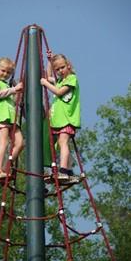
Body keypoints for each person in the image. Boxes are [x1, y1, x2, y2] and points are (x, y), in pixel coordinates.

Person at [40, 53, 81, 181]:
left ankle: (63, 171)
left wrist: (45, 84)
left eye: (62, 67)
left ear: (68, 66)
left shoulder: (71, 79)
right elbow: (48, 77)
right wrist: (49, 62)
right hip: (58, 120)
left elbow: (58, 91)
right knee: (60, 143)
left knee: (63, 142)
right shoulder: (60, 81)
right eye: (57, 69)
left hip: (67, 119)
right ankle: (68, 171)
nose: (60, 71)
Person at [0, 57, 24, 179]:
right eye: (3, 71)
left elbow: (15, 101)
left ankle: (7, 165)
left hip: (13, 119)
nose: (5, 74)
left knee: (21, 143)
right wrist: (13, 89)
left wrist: (18, 91)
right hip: (1, 117)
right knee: (4, 142)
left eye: (8, 72)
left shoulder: (7, 85)